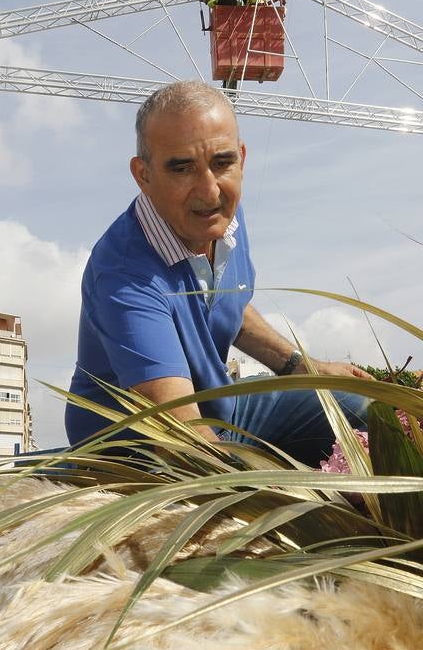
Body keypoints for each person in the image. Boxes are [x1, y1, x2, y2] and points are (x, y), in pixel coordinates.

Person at [65, 81, 372, 467]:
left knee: (363, 410)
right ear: (143, 175)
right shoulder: (123, 277)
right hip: (138, 447)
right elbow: (180, 434)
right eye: (182, 168)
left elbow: (227, 302)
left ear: (241, 159)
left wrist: (304, 367)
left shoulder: (221, 218)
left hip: (218, 406)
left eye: (222, 163)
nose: (210, 191)